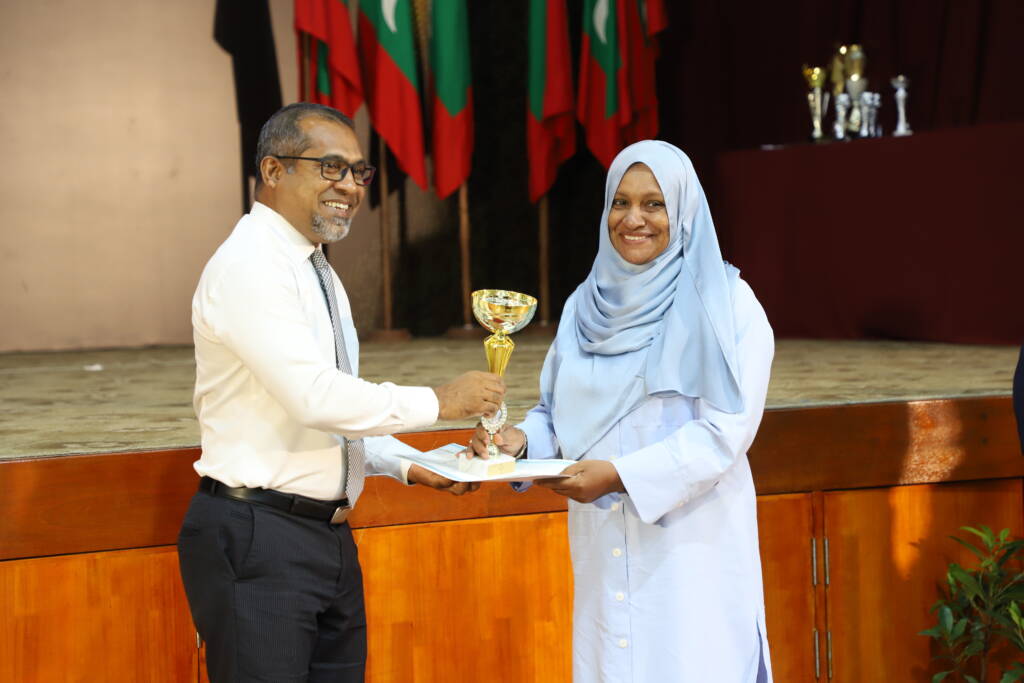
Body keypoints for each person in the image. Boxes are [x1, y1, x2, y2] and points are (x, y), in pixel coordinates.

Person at [178, 102, 505, 683]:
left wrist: (411, 464)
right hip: (259, 535)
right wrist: (440, 402)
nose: (350, 186)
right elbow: (315, 397)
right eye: (330, 167)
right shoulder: (251, 264)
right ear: (273, 170)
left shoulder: (312, 266)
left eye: (359, 171)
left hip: (322, 536)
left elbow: (328, 412)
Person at [470, 140, 774, 682]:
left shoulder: (729, 304)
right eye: (620, 202)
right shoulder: (585, 305)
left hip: (690, 558)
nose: (633, 219)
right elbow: (555, 411)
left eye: (654, 204)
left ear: (684, 211)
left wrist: (619, 476)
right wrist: (520, 442)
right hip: (602, 551)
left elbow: (724, 435)